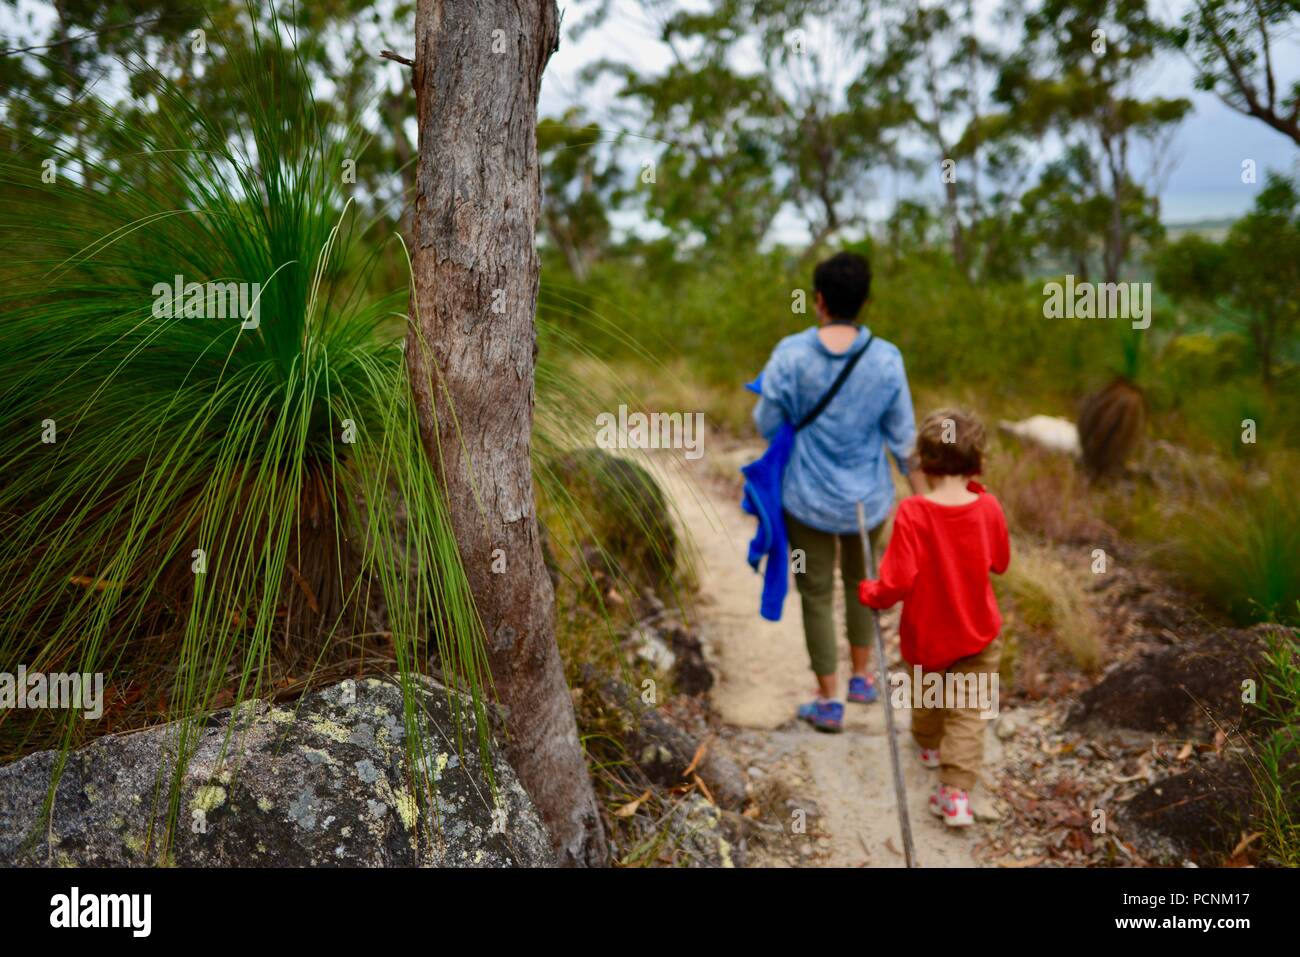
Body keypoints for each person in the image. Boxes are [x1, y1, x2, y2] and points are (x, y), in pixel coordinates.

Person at [752, 251, 922, 733]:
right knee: (863, 584)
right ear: (865, 301)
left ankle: (828, 701)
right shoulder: (887, 359)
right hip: (868, 500)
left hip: (807, 499)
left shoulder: (791, 354)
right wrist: (925, 501)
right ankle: (863, 677)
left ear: (818, 300)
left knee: (816, 593)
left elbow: (765, 421)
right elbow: (904, 440)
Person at [858, 409, 1011, 827]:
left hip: (927, 635)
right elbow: (1000, 562)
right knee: (969, 712)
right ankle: (956, 796)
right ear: (978, 462)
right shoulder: (989, 507)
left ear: (923, 461)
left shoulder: (913, 512)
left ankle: (926, 746)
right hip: (977, 632)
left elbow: (896, 581)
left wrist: (870, 593)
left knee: (927, 692)